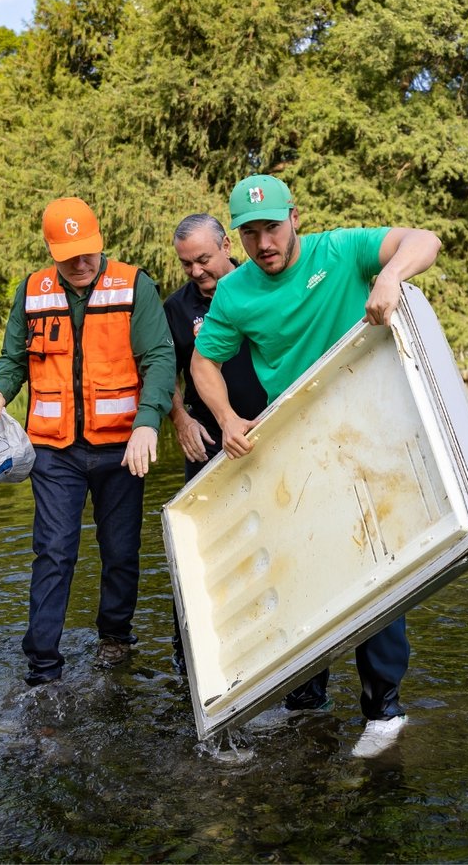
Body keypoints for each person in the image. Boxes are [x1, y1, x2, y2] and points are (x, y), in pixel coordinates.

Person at [189, 173, 439, 758]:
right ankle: (308, 702)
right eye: (249, 234)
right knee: (304, 564)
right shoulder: (234, 294)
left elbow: (423, 239)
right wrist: (225, 418)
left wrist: (391, 275)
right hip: (296, 439)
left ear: (294, 218)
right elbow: (203, 365)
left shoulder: (341, 248)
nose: (263, 243)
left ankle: (384, 710)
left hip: (369, 422)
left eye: (272, 228)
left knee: (375, 560)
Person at [0, 197, 176, 687]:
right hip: (52, 449)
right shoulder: (32, 291)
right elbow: (12, 359)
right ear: (51, 250)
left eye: (88, 252)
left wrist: (149, 421)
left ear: (99, 241)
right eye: (69, 256)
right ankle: (43, 665)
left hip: (122, 447)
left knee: (122, 550)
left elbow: (160, 358)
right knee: (54, 550)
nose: (81, 263)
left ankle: (115, 638)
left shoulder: (134, 285)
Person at [163, 213, 269, 673]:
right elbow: (161, 369)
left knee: (268, 538)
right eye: (187, 264)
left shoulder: (263, 286)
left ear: (227, 245)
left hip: (270, 430)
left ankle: (270, 647)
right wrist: (181, 418)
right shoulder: (176, 308)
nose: (196, 272)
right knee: (204, 549)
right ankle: (192, 658)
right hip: (207, 442)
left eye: (203, 259)